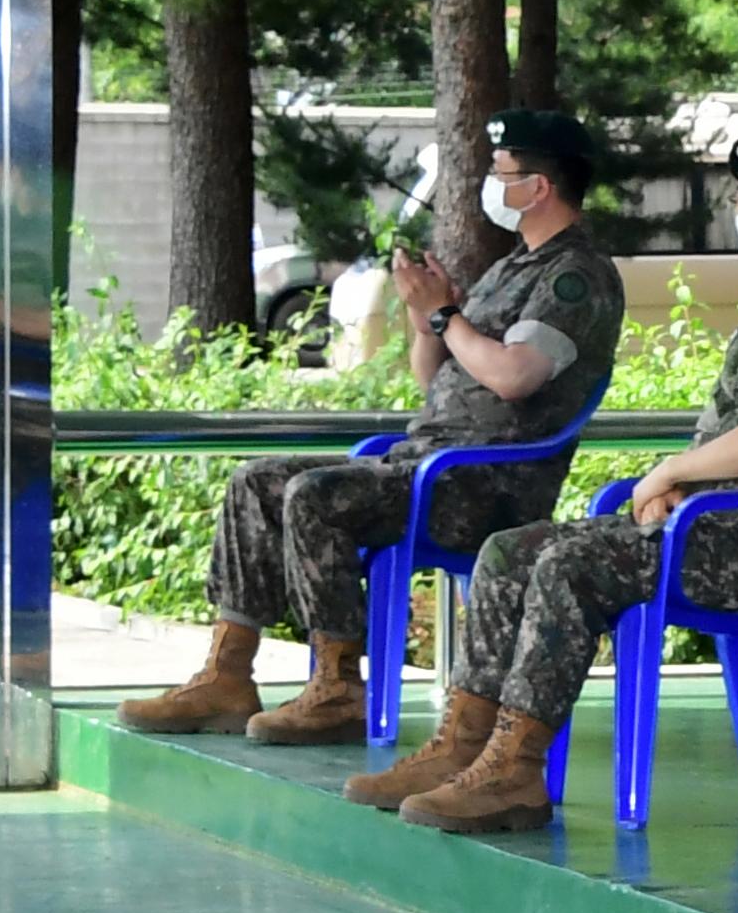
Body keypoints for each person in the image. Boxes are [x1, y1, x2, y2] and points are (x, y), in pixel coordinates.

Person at [345, 126, 738, 832]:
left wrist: (672, 470)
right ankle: (465, 747)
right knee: (510, 551)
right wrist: (684, 485)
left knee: (572, 562)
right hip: (710, 523)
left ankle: (516, 771)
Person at [118, 108, 628, 745]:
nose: (489, 186)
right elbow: (435, 380)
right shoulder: (511, 267)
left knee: (317, 497)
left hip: (487, 483)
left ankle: (337, 686)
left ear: (539, 187)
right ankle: (229, 671)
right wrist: (425, 316)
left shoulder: (574, 276)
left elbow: (514, 377)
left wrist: (447, 315)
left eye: (501, 173)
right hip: (429, 462)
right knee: (257, 482)